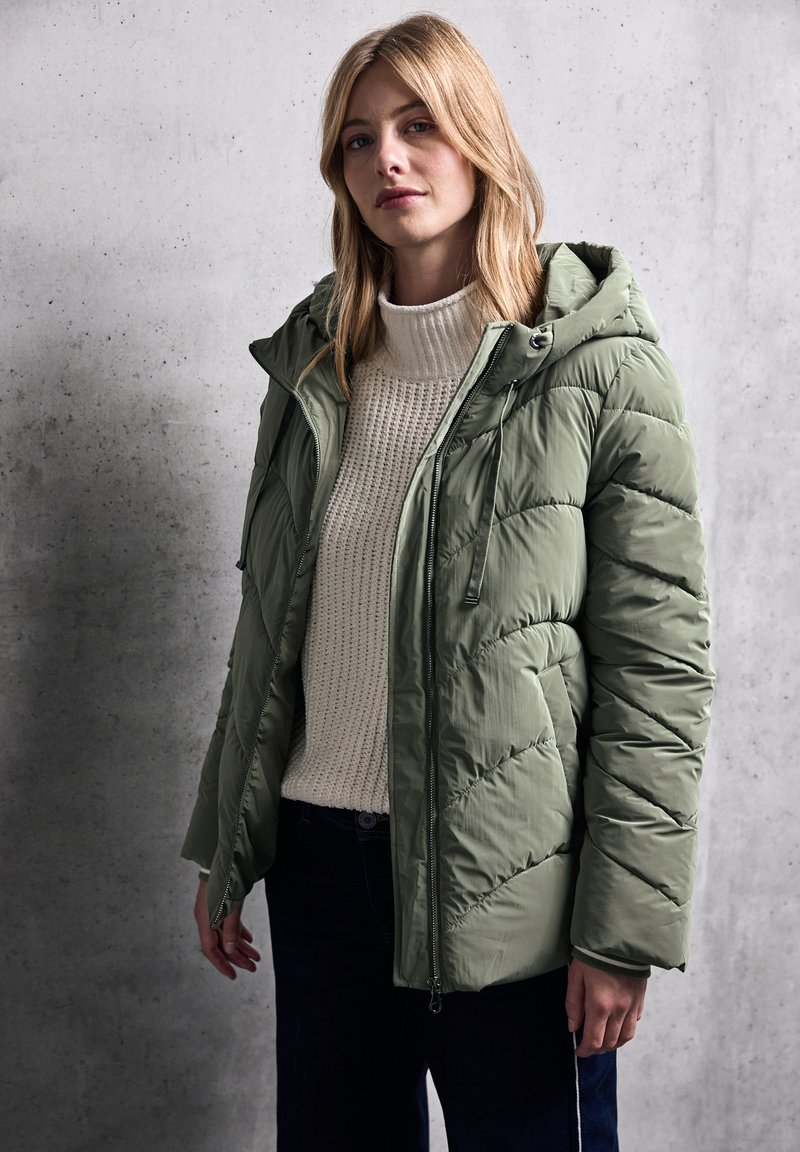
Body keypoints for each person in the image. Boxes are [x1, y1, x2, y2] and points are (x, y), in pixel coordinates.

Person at [181, 13, 714, 1151]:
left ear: (479, 138)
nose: (388, 158)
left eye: (418, 125)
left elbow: (657, 673)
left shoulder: (599, 366)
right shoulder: (313, 364)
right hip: (320, 873)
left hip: (512, 892)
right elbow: (268, 628)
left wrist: (619, 929)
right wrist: (232, 843)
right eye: (358, 138)